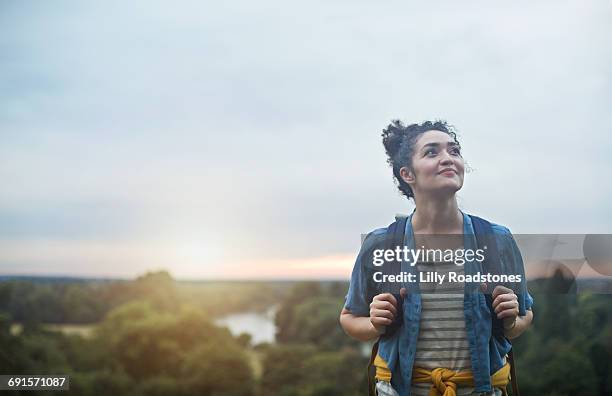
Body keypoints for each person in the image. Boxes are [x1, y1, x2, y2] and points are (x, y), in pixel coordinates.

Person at [339, 120, 534, 396]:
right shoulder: (381, 244)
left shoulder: (497, 239)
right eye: (432, 152)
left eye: (453, 151)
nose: (448, 158)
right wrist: (373, 324)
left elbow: (525, 318)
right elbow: (349, 318)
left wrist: (512, 320)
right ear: (407, 174)